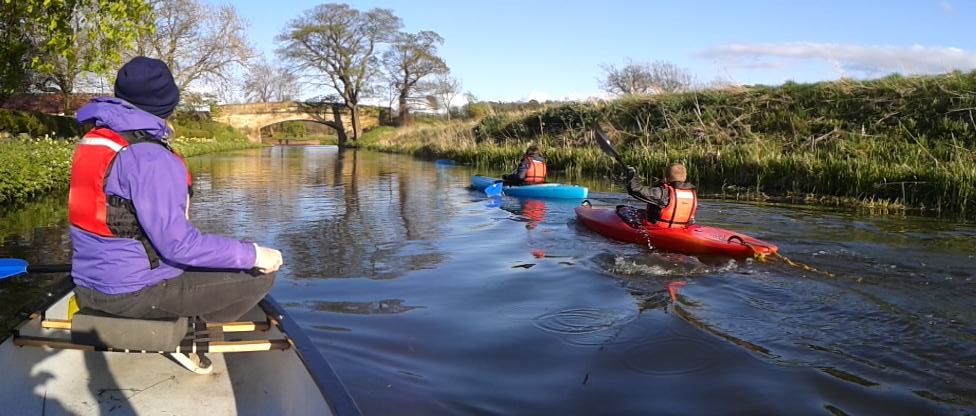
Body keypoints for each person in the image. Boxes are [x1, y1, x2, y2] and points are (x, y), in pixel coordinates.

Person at [68, 57, 283, 370]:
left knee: (242, 252)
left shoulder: (96, 140)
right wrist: (254, 255)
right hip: (134, 293)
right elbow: (178, 246)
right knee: (262, 271)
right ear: (168, 103)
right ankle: (186, 326)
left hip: (88, 284)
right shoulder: (151, 157)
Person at [625, 163, 697, 228]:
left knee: (624, 210)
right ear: (685, 177)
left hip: (659, 228)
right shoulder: (692, 193)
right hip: (682, 228)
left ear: (666, 178)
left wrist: (632, 174)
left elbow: (634, 189)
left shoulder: (663, 192)